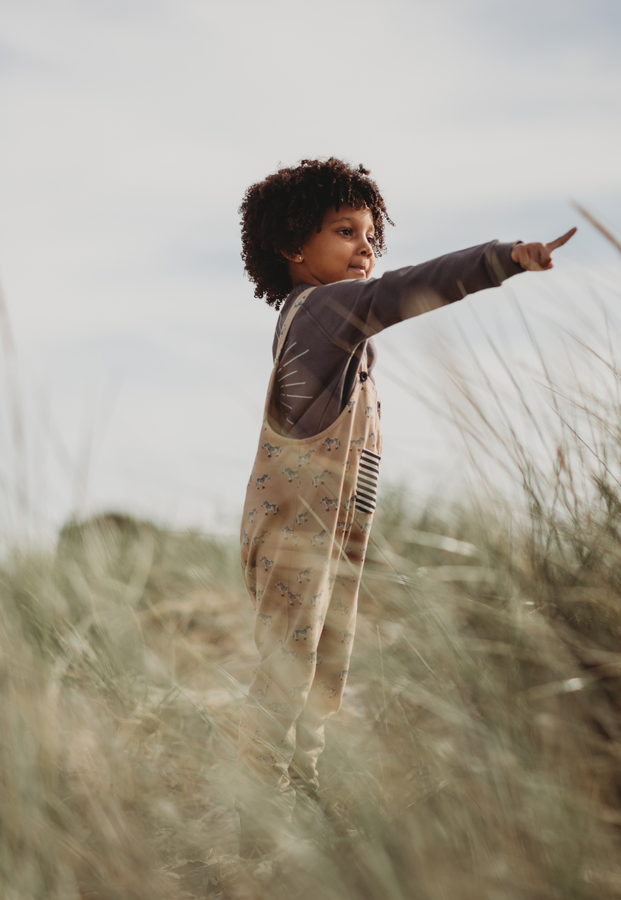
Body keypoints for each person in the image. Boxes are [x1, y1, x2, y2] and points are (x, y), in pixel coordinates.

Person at [236, 157, 575, 854]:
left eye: (370, 233)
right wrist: (501, 259)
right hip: (295, 535)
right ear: (293, 248)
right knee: (288, 669)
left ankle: (298, 797)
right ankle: (249, 823)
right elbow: (403, 290)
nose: (366, 247)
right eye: (344, 231)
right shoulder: (325, 309)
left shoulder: (332, 322)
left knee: (324, 665)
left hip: (328, 533)